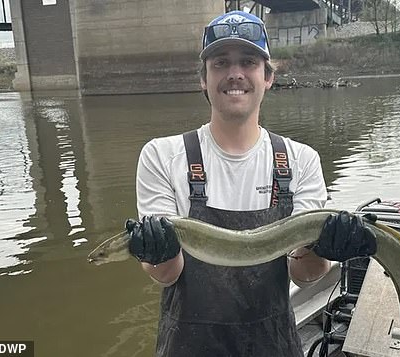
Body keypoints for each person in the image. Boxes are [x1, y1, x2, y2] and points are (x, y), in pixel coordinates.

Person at [124, 10, 376, 356]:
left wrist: (321, 248)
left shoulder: (301, 159)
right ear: (204, 78)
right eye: (220, 63)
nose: (235, 74)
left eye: (248, 61)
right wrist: (157, 251)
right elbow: (167, 275)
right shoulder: (162, 155)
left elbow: (305, 276)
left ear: (268, 76)